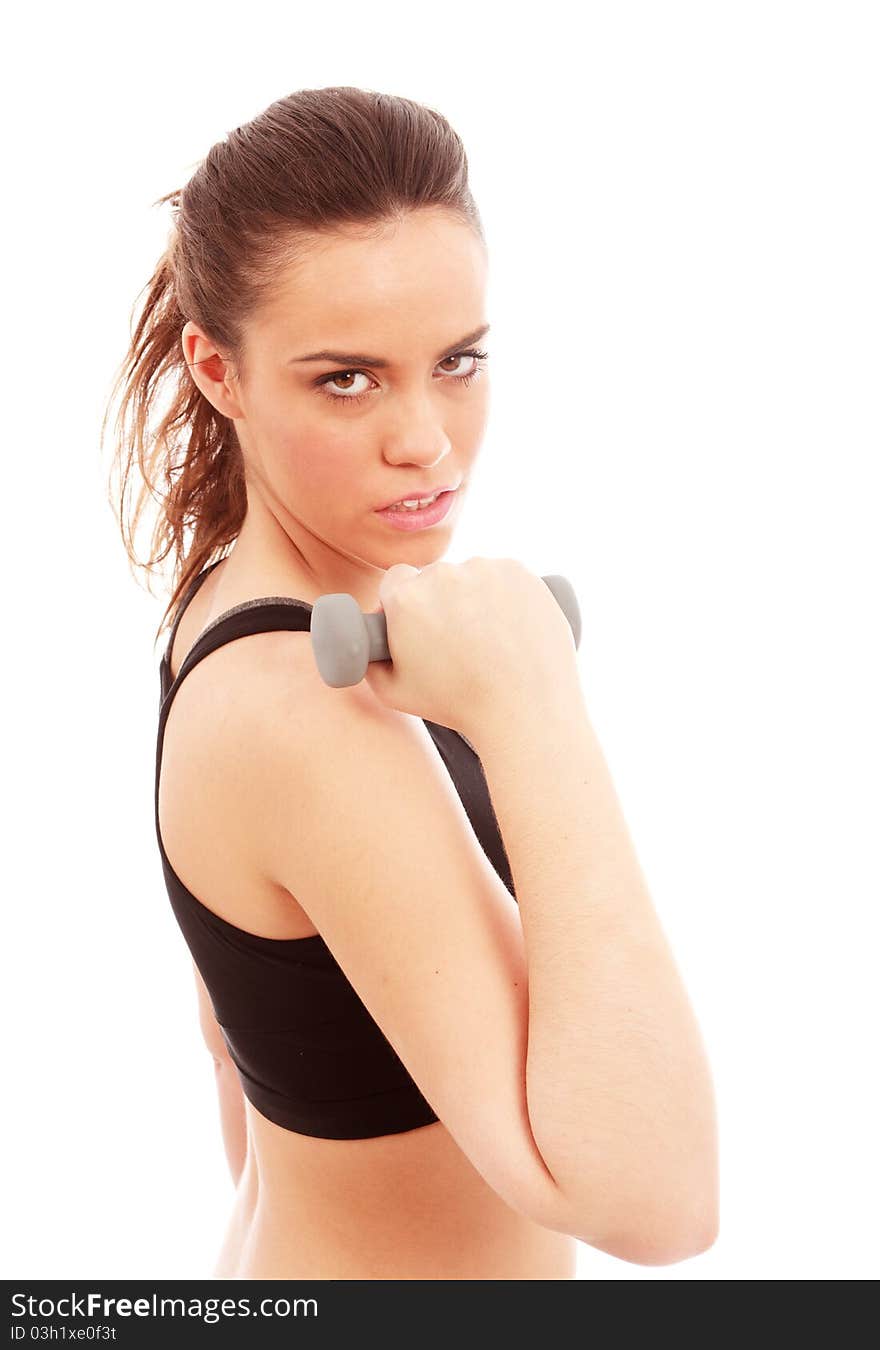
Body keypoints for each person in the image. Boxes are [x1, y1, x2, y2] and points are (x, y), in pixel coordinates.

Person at [103, 85, 718, 1280]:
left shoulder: (232, 607)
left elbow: (237, 1049)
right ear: (218, 371)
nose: (426, 439)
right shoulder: (304, 712)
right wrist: (536, 707)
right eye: (348, 379)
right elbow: (664, 1206)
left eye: (457, 362)